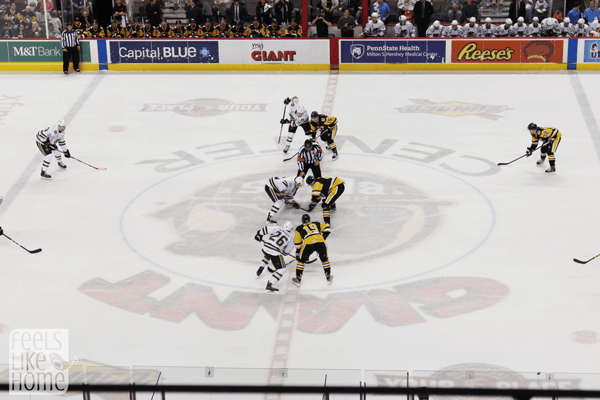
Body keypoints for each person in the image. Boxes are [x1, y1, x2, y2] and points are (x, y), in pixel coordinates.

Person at [292, 214, 333, 287]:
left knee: (301, 261)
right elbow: (328, 229)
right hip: (321, 243)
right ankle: (328, 277)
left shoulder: (299, 228)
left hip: (308, 244)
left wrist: (298, 252)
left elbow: (297, 243)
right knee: (324, 259)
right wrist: (323, 237)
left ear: (302, 220)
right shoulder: (316, 223)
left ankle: (298, 279)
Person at [255, 221, 296, 293]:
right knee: (282, 269)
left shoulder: (278, 228)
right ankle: (270, 285)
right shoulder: (291, 237)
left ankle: (261, 268)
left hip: (265, 247)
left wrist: (259, 234)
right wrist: (281, 250)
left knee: (268, 254)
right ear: (291, 229)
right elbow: (286, 252)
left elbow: (265, 229)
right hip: (274, 252)